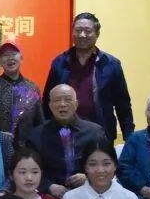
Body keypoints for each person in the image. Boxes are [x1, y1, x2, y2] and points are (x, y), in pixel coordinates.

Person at [44, 12, 134, 142]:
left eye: (87, 31)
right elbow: (47, 101)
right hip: (65, 134)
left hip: (101, 135)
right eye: (78, 30)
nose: (82, 35)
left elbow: (123, 105)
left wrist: (129, 139)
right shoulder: (60, 62)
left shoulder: (111, 64)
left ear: (97, 34)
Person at [25, 84, 106, 199]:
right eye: (57, 100)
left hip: (90, 192)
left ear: (76, 104)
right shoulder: (36, 136)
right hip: (50, 196)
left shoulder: (95, 132)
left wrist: (89, 177)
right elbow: (28, 169)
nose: (62, 104)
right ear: (50, 105)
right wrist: (49, 186)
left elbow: (108, 164)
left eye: (68, 100)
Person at [0, 43, 44, 145]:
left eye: (13, 54)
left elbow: (39, 122)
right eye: (5, 55)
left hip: (27, 147)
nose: (10, 58)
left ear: (21, 58)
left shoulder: (32, 88)